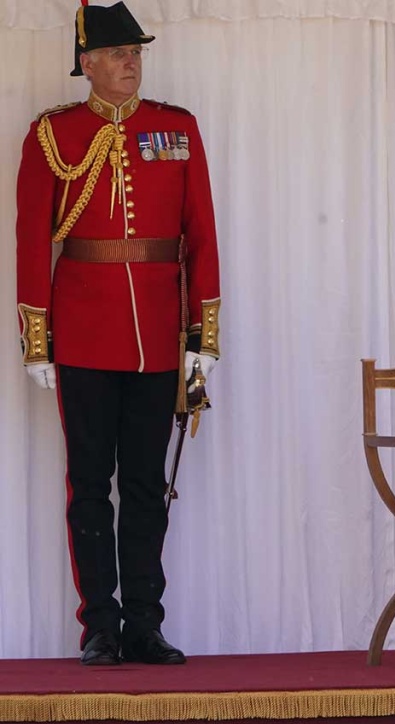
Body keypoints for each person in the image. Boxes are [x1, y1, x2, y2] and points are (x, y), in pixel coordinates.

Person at [15, 1, 221, 666]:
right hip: (81, 336)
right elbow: (28, 242)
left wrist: (202, 338)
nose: (131, 62)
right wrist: (36, 340)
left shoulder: (177, 129)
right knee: (89, 489)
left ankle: (145, 625)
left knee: (145, 487)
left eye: (136, 52)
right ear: (88, 65)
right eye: (117, 53)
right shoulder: (53, 135)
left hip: (159, 338)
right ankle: (99, 625)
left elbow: (202, 238)